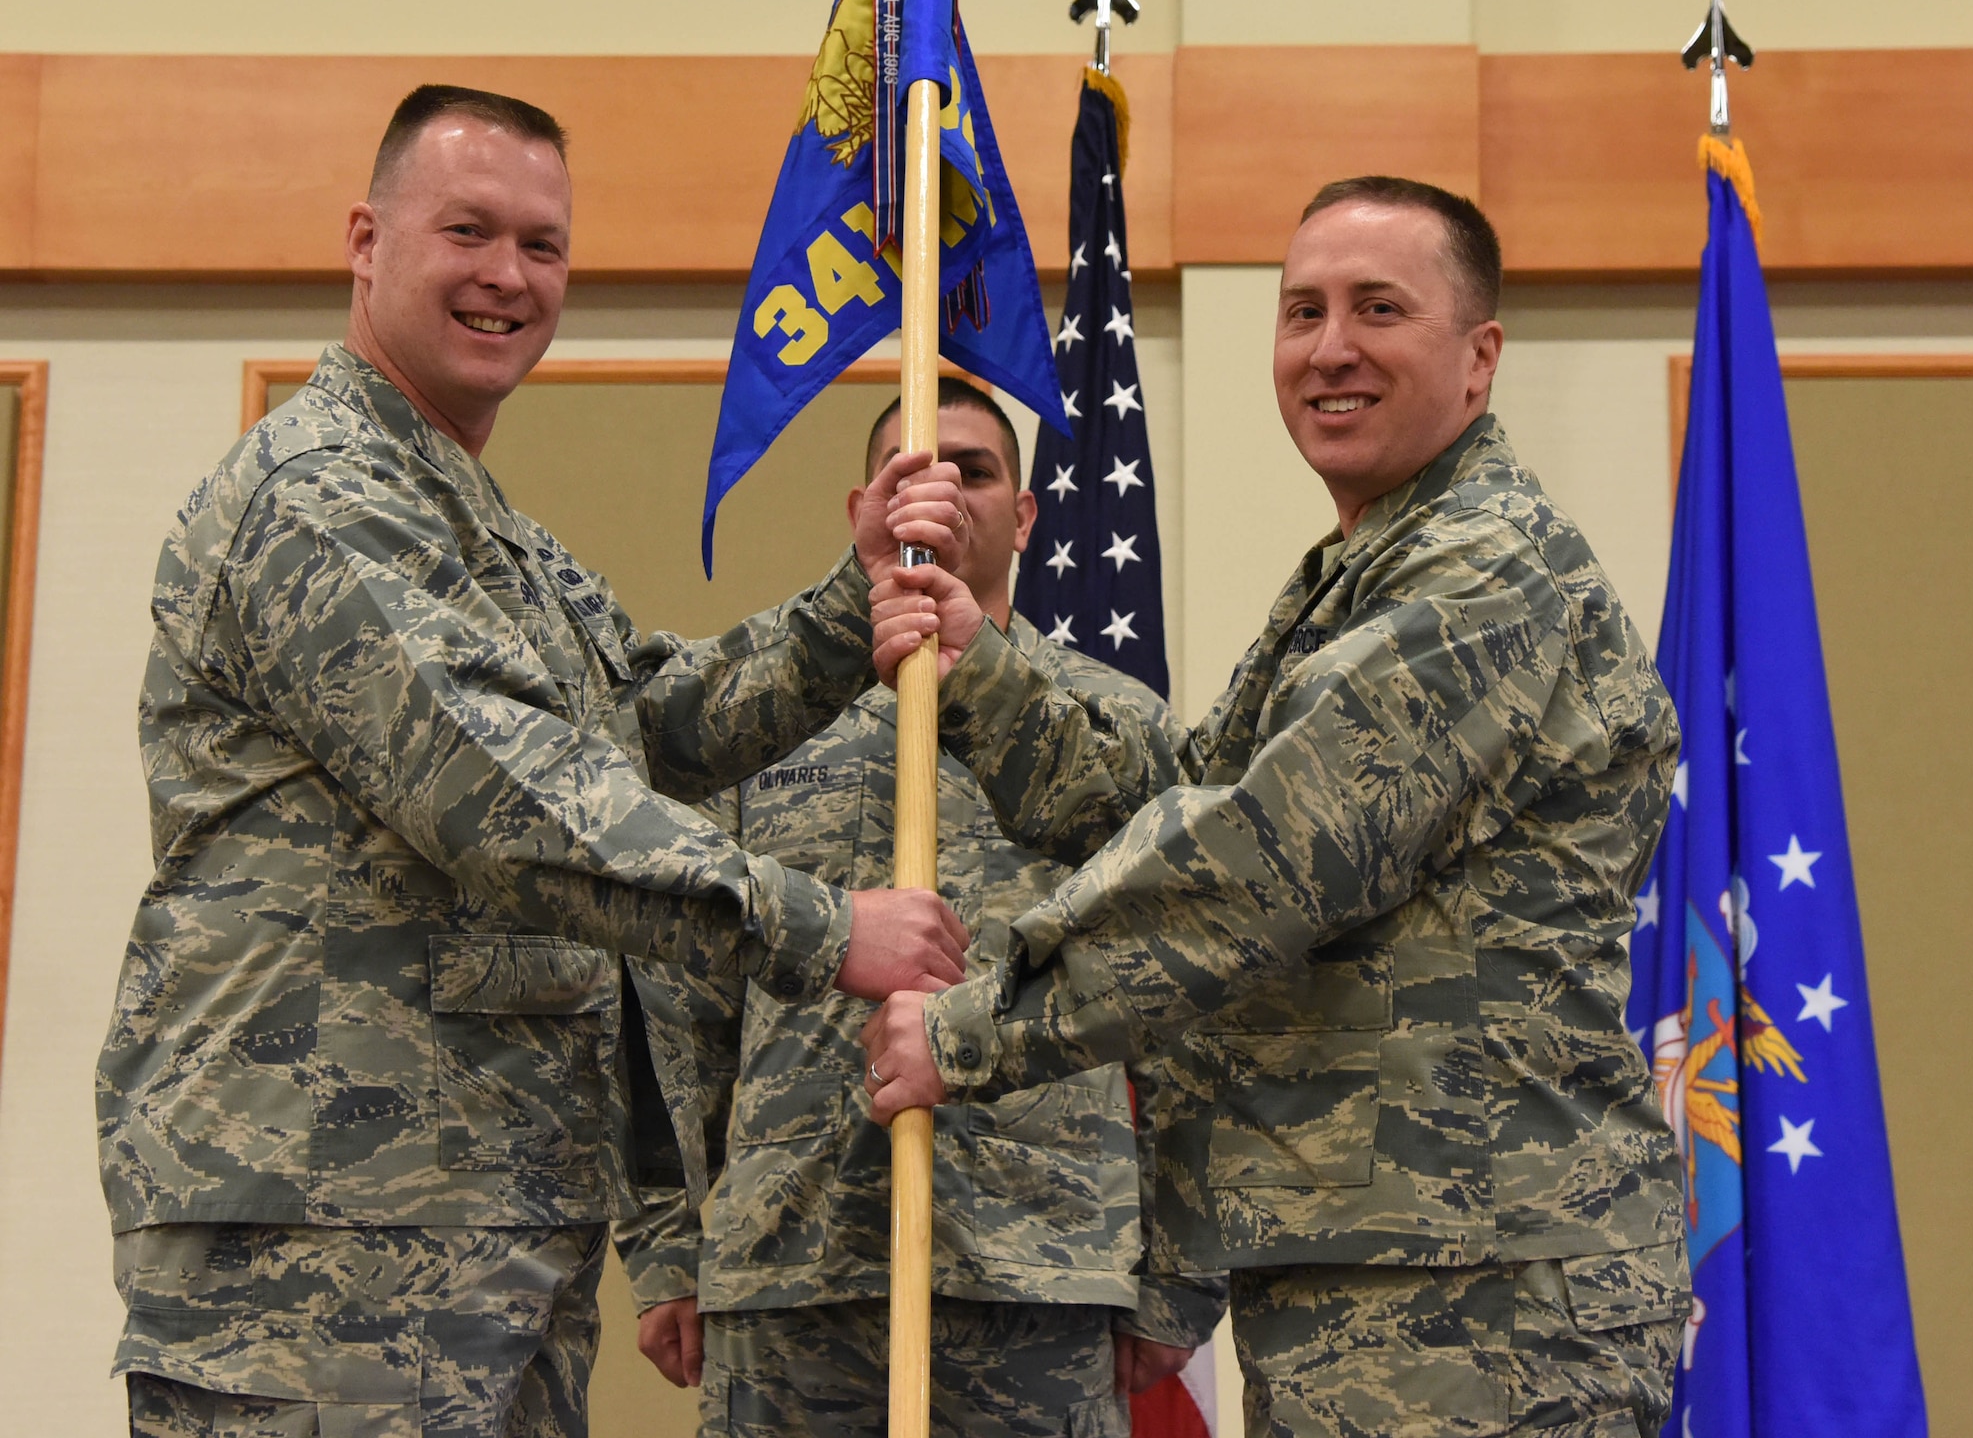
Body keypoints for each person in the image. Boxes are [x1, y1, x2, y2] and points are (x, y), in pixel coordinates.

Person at [102, 85, 971, 1438]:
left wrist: (842, 617)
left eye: (543, 247)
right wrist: (818, 927)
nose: (507, 277)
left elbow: (649, 721)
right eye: (468, 231)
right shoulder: (319, 500)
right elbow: (511, 801)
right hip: (323, 1236)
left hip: (483, 1224)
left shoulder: (477, 523)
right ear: (364, 240)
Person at [862, 177, 1691, 1436]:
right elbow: (1170, 797)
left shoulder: (1482, 573)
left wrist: (971, 1030)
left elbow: (1254, 865)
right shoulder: (1361, 566)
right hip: (1378, 1263)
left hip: (1485, 1291)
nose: (1329, 347)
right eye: (1300, 310)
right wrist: (985, 672)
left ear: (1478, 359)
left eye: (1377, 308)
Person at [618, 377, 1226, 1438]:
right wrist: (667, 1245)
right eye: (912, 471)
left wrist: (1177, 1276)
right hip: (792, 1267)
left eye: (975, 471)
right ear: (866, 504)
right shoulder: (771, 722)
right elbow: (679, 1005)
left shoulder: (1115, 725)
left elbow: (1185, 1002)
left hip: (1037, 1272)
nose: (940, 497)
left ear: (1027, 512)